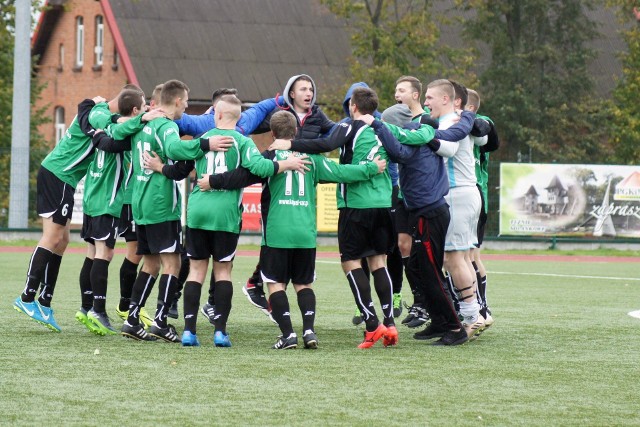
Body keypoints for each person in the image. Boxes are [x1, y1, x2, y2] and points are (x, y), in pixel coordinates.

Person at [270, 87, 425, 348]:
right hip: (384, 203)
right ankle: (390, 322)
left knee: (351, 262)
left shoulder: (350, 127)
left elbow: (326, 144)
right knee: (379, 262)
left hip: (356, 205)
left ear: (353, 106)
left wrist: (291, 143)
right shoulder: (384, 129)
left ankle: (371, 323)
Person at [168, 95, 310, 348]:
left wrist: (196, 148)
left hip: (198, 212)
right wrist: (284, 164)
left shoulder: (204, 140)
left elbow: (175, 151)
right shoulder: (243, 141)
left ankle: (189, 331)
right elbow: (260, 169)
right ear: (237, 118)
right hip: (226, 215)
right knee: (223, 271)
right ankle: (220, 332)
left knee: (197, 270)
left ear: (218, 115)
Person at [12, 84, 156, 332]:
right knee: (52, 237)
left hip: (63, 178)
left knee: (63, 240)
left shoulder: (99, 111)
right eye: (139, 108)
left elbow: (112, 122)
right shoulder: (98, 114)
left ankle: (45, 301)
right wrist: (143, 119)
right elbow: (112, 130)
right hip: (59, 174)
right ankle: (26, 297)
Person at [120, 79, 235, 342]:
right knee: (172, 263)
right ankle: (160, 321)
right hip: (161, 203)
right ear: (176, 101)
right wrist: (206, 145)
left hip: (141, 201)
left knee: (150, 263)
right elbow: (173, 148)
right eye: (185, 100)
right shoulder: (166, 125)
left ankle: (132, 318)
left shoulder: (143, 124)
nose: (186, 105)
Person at [361, 103, 469, 345]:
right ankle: (440, 322)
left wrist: (378, 126)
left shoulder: (414, 137)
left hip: (430, 214)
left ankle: (455, 328)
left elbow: (399, 152)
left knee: (430, 273)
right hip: (423, 213)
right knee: (420, 269)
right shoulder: (423, 135)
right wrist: (469, 117)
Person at [241, 74, 337, 317]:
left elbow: (334, 139)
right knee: (274, 237)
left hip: (303, 185)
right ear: (291, 94)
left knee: (292, 237)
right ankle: (259, 285)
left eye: (311, 89)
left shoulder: (318, 116)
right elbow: (248, 127)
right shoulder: (279, 115)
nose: (309, 93)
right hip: (277, 185)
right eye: (303, 89)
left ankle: (261, 286)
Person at [76, 88, 151, 335]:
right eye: (143, 106)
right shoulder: (120, 132)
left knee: (92, 252)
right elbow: (124, 133)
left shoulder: (102, 119)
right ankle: (98, 309)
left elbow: (88, 110)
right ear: (134, 110)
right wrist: (143, 121)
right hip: (107, 200)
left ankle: (87, 308)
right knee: (104, 253)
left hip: (92, 197)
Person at [423, 79, 485, 339]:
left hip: (457, 196)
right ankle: (475, 312)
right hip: (468, 193)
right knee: (462, 258)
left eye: (430, 97)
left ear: (446, 100)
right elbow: (482, 139)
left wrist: (422, 136)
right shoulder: (460, 120)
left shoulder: (450, 123)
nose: (426, 103)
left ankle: (472, 317)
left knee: (453, 258)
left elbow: (446, 149)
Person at [466, 88, 499, 328]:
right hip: (464, 199)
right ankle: (477, 308)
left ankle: (481, 308)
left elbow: (485, 126)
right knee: (465, 256)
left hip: (474, 197)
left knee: (469, 256)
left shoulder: (481, 124)